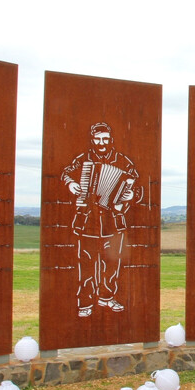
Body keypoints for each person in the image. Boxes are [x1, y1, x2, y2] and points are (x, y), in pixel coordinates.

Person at [61, 122, 140, 317]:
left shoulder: (123, 162)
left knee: (112, 264)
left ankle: (107, 297)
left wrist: (132, 195)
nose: (101, 143)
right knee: (86, 264)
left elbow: (137, 187)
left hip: (113, 221)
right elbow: (66, 173)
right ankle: (86, 302)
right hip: (87, 220)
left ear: (110, 140)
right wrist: (71, 184)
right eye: (97, 139)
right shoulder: (83, 159)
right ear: (92, 139)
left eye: (105, 139)